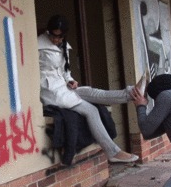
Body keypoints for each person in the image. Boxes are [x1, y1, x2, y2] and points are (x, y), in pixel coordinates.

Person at [38, 14, 139, 163]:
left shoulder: (64, 45)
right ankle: (112, 151)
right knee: (91, 110)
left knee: (93, 93)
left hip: (64, 88)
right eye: (53, 35)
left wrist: (71, 80)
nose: (55, 39)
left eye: (59, 37)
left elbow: (65, 72)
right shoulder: (38, 45)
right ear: (49, 31)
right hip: (51, 92)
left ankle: (131, 93)